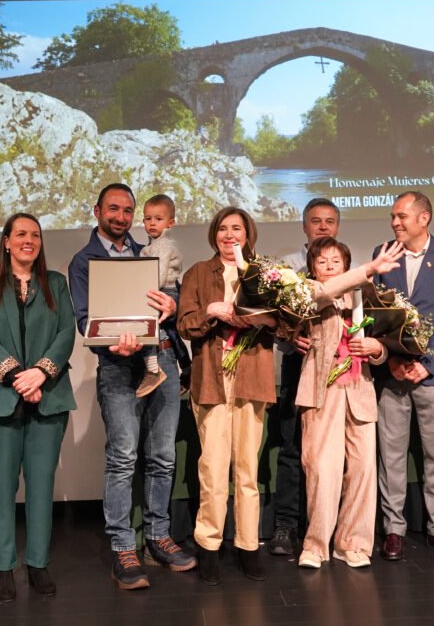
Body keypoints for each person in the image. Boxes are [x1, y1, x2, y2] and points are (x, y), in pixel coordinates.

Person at [68, 184, 196, 591]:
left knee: (162, 457)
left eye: (127, 210)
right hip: (118, 369)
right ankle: (124, 547)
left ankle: (158, 537)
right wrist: (115, 340)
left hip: (164, 363)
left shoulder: (149, 254)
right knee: (123, 458)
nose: (121, 217)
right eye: (113, 209)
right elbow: (86, 321)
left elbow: (169, 311)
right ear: (97, 211)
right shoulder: (84, 261)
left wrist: (173, 309)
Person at [0, 213, 77, 601]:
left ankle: (37, 564)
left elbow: (67, 332)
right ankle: (1, 567)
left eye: (35, 235)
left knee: (41, 485)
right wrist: (18, 376)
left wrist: (41, 375)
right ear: (7, 242)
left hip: (47, 397)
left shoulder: (57, 284)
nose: (28, 240)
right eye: (21, 234)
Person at [177, 207, 279, 585]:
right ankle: (209, 546)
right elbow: (185, 324)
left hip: (252, 378)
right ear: (213, 234)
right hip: (212, 381)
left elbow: (285, 324)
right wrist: (212, 311)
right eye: (222, 228)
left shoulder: (265, 273)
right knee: (213, 470)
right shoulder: (199, 273)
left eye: (236, 228)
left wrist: (264, 319)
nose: (229, 234)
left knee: (248, 472)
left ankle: (249, 546)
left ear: (248, 233)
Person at [373, 191, 434, 561]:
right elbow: (376, 315)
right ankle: (394, 530)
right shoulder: (383, 254)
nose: (395, 223)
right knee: (392, 456)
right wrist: (392, 362)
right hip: (393, 374)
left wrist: (427, 363)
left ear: (424, 218)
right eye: (393, 216)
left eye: (401, 216)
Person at [295, 238, 403, 570]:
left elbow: (385, 341)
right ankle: (315, 545)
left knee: (362, 469)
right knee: (321, 468)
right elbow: (318, 295)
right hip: (321, 388)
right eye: (322, 262)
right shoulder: (307, 290)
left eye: (336, 261)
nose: (329, 266)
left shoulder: (366, 296)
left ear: (345, 263)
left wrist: (377, 349)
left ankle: (353, 543)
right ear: (313, 268)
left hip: (359, 387)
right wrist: (368, 270)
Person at [270, 197, 341, 556]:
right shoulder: (288, 271)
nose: (323, 227)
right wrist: (288, 334)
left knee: (333, 453)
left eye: (329, 221)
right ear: (304, 226)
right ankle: (284, 526)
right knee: (292, 449)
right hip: (298, 369)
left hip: (339, 375)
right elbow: (274, 324)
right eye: (316, 221)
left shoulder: (346, 270)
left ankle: (332, 526)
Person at [137, 193, 189, 397]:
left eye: (158, 219)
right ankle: (187, 367)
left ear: (170, 223)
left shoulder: (163, 245)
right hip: (164, 288)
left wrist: (143, 289)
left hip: (162, 290)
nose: (152, 223)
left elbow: (156, 275)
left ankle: (152, 370)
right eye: (148, 218)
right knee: (170, 332)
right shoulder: (155, 245)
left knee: (148, 329)